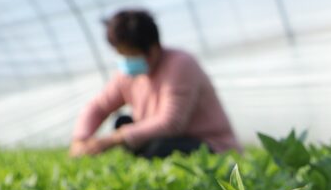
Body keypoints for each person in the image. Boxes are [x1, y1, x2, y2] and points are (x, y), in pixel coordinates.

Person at [70, 9, 240, 158]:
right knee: (124, 122)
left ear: (153, 49)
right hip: (167, 140)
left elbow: (170, 123)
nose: (126, 61)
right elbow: (98, 107)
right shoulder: (128, 75)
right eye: (121, 54)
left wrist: (113, 139)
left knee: (158, 147)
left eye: (130, 54)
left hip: (209, 145)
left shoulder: (180, 64)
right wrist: (81, 139)